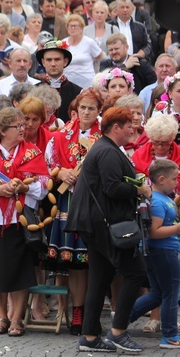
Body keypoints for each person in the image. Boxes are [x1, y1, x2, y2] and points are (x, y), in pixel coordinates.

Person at [66, 107, 152, 352]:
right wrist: (140, 190)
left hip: (95, 223)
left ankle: (90, 336)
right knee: (136, 272)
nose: (133, 130)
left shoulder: (107, 148)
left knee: (100, 278)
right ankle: (118, 331)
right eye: (129, 126)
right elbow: (113, 189)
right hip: (103, 224)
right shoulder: (108, 151)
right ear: (116, 128)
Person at [0, 107, 49, 337]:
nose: (23, 129)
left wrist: (25, 187)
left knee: (20, 271)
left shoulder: (32, 153)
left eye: (23, 125)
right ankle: (2, 316)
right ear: (3, 130)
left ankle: (17, 319)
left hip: (21, 220)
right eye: (18, 126)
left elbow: (43, 187)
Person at [43, 88, 103, 335]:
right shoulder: (60, 136)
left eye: (91, 108)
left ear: (99, 111)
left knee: (96, 261)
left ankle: (93, 311)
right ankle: (78, 311)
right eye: (82, 108)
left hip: (96, 202)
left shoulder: (106, 135)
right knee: (77, 262)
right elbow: (47, 165)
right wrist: (60, 172)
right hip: (69, 201)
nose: (86, 112)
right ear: (75, 109)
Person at [128, 158, 180, 349]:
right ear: (161, 179)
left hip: (160, 251)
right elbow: (154, 232)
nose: (176, 182)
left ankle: (124, 318)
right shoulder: (158, 202)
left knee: (158, 293)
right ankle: (169, 335)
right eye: (174, 179)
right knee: (172, 291)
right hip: (163, 251)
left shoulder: (163, 198)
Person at [36, 40, 82, 121]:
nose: (53, 64)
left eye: (57, 59)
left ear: (65, 61)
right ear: (43, 62)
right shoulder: (34, 90)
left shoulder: (78, 92)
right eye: (49, 60)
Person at [63, 14, 104, 90]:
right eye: (71, 26)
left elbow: (102, 57)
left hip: (87, 84)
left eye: (76, 26)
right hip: (68, 84)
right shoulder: (63, 43)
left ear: (81, 28)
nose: (73, 28)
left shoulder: (89, 42)